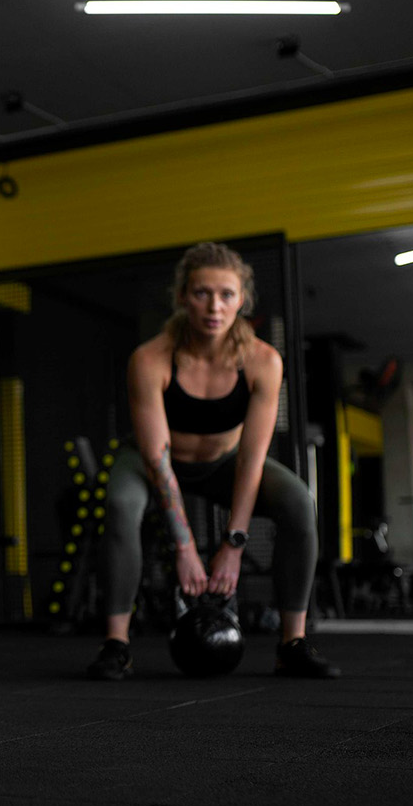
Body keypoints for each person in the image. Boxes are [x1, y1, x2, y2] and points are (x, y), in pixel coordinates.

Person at [85, 242, 339, 680]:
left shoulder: (263, 360)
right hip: (154, 463)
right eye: (202, 293)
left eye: (226, 294)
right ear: (183, 296)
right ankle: (117, 644)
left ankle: (292, 643)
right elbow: (156, 456)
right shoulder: (150, 359)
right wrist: (184, 547)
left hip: (227, 462)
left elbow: (254, 455)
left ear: (243, 299)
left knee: (299, 502)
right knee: (121, 505)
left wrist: (234, 544)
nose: (214, 306)